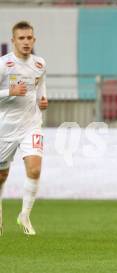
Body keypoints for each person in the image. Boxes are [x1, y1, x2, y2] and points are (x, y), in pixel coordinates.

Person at [0, 21, 48, 236]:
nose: (26, 42)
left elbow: (40, 87)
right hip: (5, 127)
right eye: (21, 38)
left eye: (29, 38)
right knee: (2, 176)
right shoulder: (3, 65)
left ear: (34, 40)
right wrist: (9, 91)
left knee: (35, 169)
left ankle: (24, 215)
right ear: (13, 41)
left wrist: (43, 100)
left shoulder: (40, 64)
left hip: (31, 125)